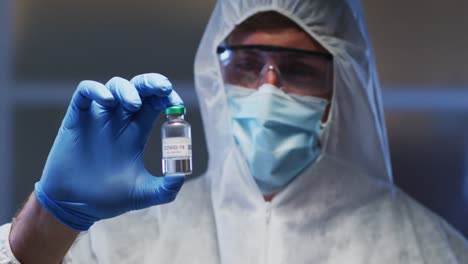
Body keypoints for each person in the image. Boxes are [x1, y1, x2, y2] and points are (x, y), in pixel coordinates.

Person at [1, 0, 467, 263]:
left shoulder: (425, 249)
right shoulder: (128, 241)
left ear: (339, 85)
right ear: (214, 76)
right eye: (245, 65)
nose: (268, 90)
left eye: (297, 68)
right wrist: (47, 219)